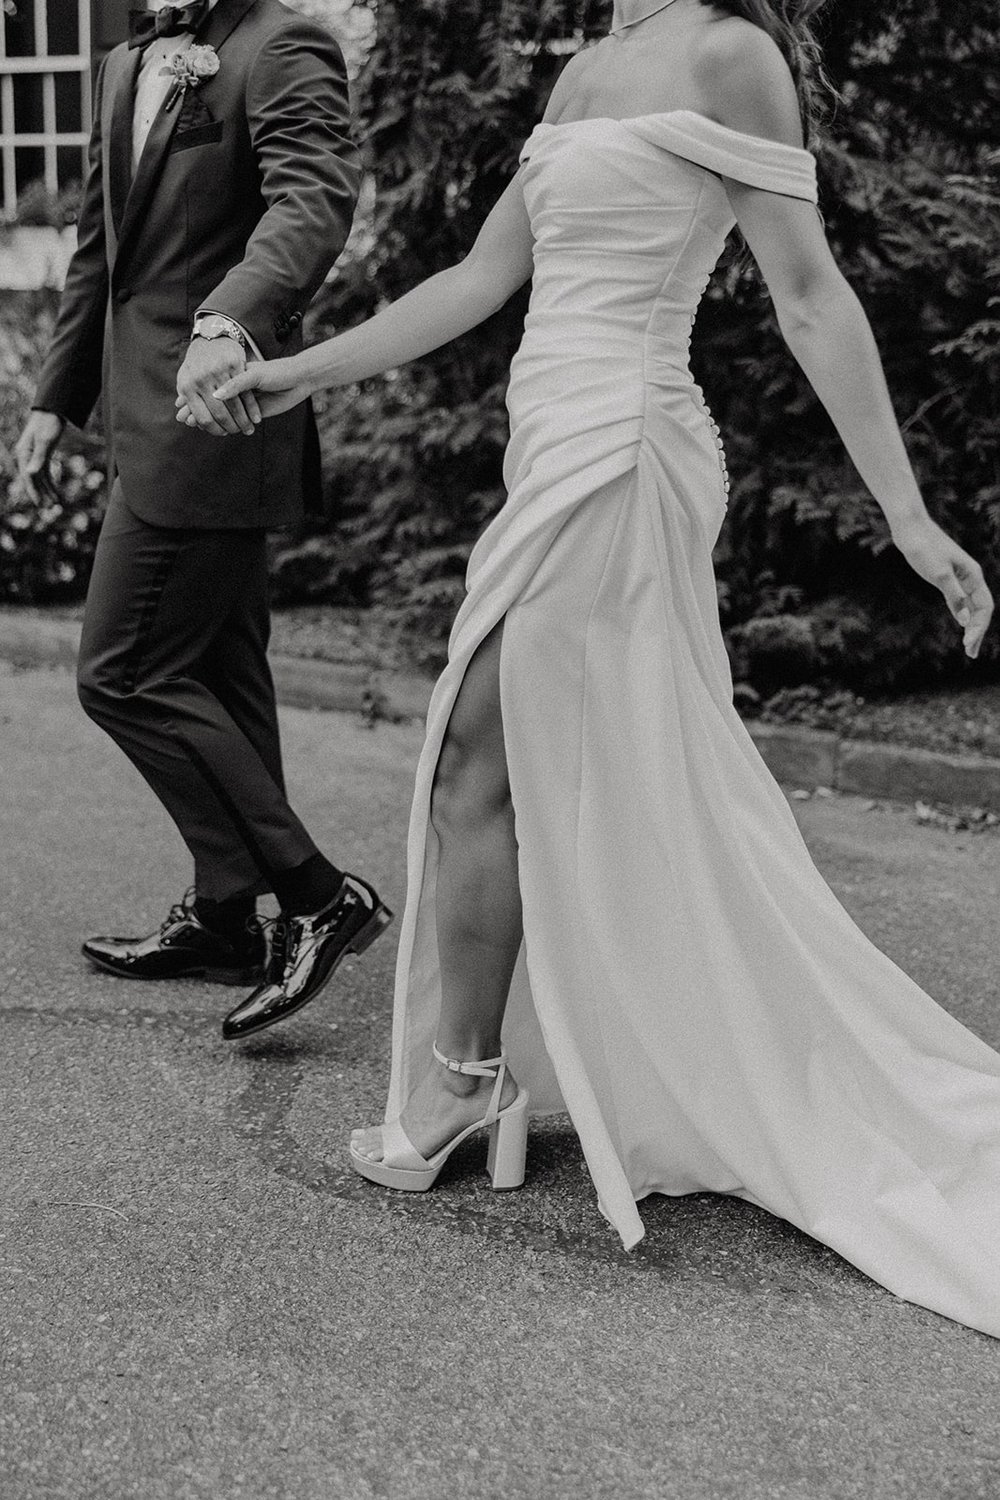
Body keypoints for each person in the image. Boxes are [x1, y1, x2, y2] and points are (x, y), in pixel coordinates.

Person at [210, 0, 1000, 1337]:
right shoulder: (584, 68)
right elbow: (477, 281)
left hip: (627, 450)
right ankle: (479, 1077)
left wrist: (910, 518)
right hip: (552, 444)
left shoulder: (725, 55)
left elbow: (808, 295)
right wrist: (298, 373)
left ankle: (467, 1083)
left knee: (475, 752)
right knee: (486, 761)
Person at [16, 0, 392, 1041]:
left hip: (217, 407)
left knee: (124, 670)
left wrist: (230, 318)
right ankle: (229, 915)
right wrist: (55, 399)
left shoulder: (282, 44)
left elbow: (311, 199)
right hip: (139, 409)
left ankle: (316, 896)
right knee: (221, 669)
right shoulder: (125, 60)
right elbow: (105, 246)